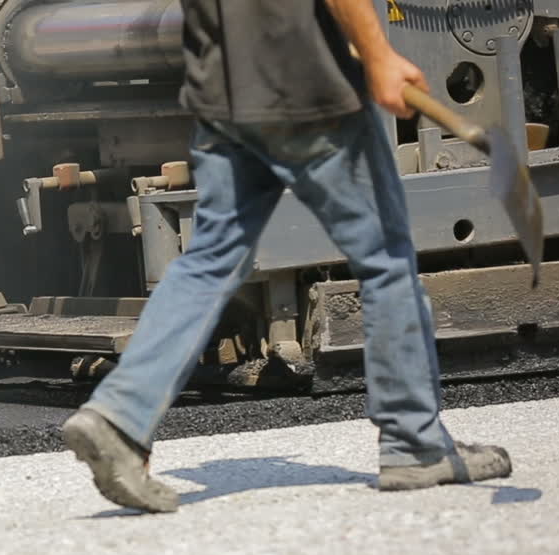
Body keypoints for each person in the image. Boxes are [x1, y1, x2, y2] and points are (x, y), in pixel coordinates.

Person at [61, 0, 512, 513]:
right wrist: (377, 52)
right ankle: (415, 442)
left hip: (224, 96)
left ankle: (118, 418)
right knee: (385, 258)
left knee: (207, 262)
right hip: (309, 90)